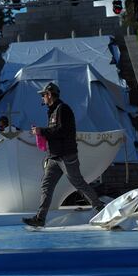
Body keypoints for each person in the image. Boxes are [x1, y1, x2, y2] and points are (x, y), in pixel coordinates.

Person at [22, 82, 103, 227]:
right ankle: (40, 219)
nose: (42, 98)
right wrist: (46, 144)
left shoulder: (63, 109)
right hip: (54, 156)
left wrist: (42, 131)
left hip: (66, 155)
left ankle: (100, 208)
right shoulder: (53, 111)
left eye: (43, 95)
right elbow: (54, 132)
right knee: (46, 186)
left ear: (49, 94)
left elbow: (62, 131)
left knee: (78, 182)